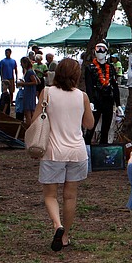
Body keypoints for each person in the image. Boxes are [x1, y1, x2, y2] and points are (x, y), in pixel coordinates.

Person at [35, 58, 95, 252]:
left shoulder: (47, 93)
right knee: (70, 196)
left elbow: (36, 119)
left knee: (50, 195)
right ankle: (66, 236)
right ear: (77, 76)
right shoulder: (82, 96)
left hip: (53, 151)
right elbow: (89, 124)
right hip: (77, 151)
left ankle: (57, 225)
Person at [83, 43, 121, 145]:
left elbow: (115, 86)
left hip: (108, 99)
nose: (100, 51)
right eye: (98, 49)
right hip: (96, 99)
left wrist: (118, 104)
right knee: (91, 126)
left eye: (102, 49)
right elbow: (89, 86)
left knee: (106, 128)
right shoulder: (90, 68)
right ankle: (87, 148)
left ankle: (102, 151)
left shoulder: (111, 67)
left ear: (106, 52)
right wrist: (90, 101)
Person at [16, 56, 39, 126]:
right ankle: (33, 127)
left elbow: (35, 82)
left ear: (25, 63)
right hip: (32, 92)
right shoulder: (32, 71)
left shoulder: (29, 72)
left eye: (22, 63)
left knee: (27, 112)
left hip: (28, 93)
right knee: (32, 112)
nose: (21, 65)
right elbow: (38, 81)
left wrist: (23, 83)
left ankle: (28, 128)